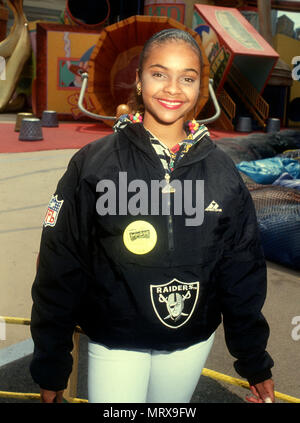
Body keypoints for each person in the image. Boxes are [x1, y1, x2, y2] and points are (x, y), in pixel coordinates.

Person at [30, 29, 275, 404]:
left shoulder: (223, 172)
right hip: (116, 340)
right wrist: (51, 362)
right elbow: (59, 265)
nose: (173, 88)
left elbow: (242, 271)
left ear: (200, 88)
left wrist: (254, 360)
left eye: (187, 78)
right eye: (159, 73)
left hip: (189, 342)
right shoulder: (93, 164)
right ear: (140, 79)